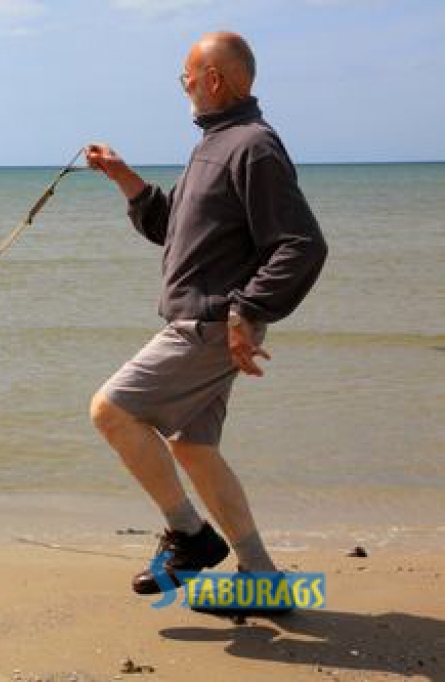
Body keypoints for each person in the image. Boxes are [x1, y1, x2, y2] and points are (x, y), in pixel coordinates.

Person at [85, 32, 327, 603]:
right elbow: (177, 231)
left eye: (187, 75)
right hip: (211, 321)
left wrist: (248, 310)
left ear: (214, 78)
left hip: (211, 326)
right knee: (194, 449)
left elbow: (301, 244)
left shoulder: (252, 146)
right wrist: (125, 178)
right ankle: (263, 578)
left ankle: (189, 536)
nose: (184, 84)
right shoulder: (214, 144)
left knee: (111, 410)